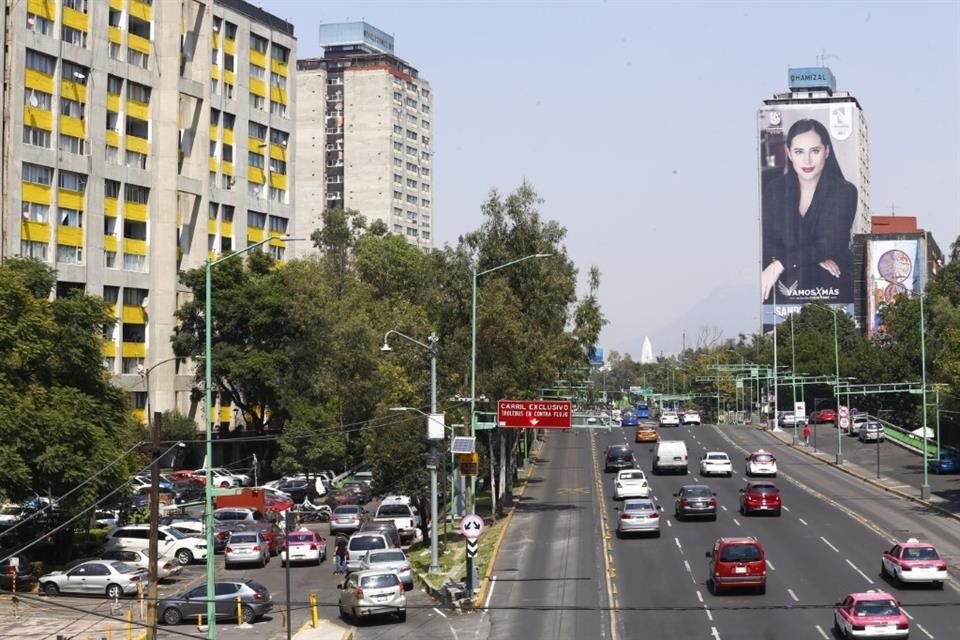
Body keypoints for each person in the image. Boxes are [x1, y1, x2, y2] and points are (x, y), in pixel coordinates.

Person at [761, 118, 858, 303]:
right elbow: (769, 242)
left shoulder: (844, 191)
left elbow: (830, 243)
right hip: (782, 292)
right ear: (789, 153)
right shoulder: (775, 190)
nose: (807, 160)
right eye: (799, 152)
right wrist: (814, 256)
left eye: (815, 151)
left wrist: (781, 263)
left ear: (827, 151)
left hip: (831, 292)